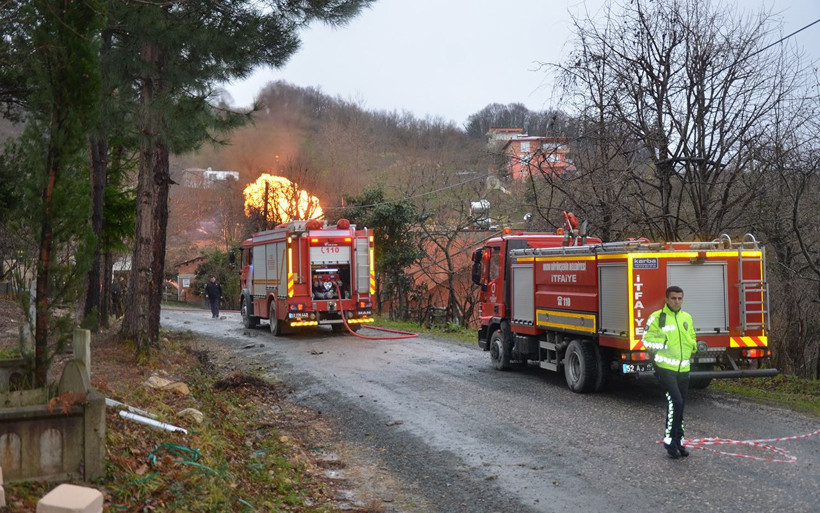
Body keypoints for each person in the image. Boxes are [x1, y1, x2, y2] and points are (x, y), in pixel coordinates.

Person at [642, 285, 698, 459]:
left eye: (680, 298)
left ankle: (679, 441)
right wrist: (663, 343)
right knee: (676, 402)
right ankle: (669, 442)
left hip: (683, 369)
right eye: (673, 298)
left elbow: (692, 337)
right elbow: (646, 341)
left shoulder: (686, 317)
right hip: (665, 369)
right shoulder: (657, 318)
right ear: (666, 299)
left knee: (680, 406)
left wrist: (693, 346)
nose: (677, 301)